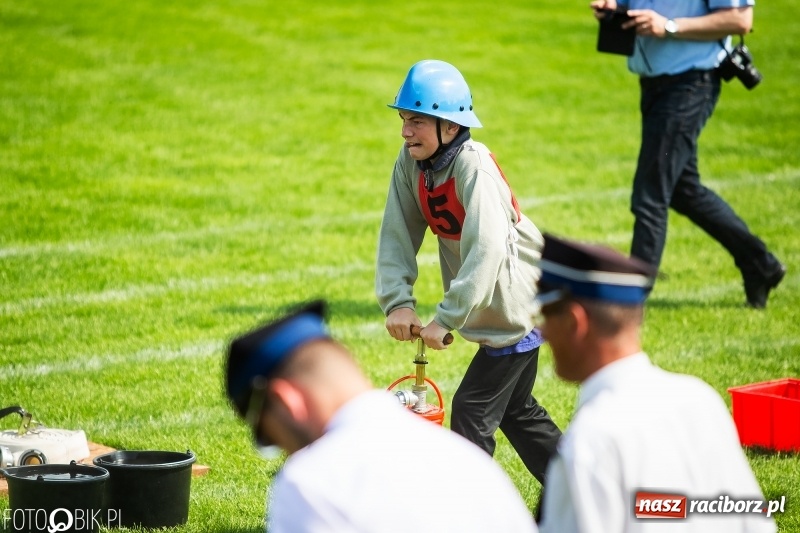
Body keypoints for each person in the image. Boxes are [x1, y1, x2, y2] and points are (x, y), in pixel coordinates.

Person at [375, 59, 562, 484]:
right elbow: (396, 234)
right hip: (490, 305)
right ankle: (587, 492)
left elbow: (488, 249)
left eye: (417, 121)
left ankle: (468, 514)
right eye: (404, 119)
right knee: (517, 412)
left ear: (451, 127)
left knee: (472, 412)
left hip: (516, 303)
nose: (405, 130)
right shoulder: (412, 164)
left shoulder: (473, 166)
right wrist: (398, 302)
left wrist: (447, 317)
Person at [225, 300, 540, 533]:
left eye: (274, 438)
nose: (287, 452)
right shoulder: (471, 462)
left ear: (287, 401)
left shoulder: (310, 482)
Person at [534, 233, 777, 533]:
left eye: (545, 316)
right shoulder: (700, 399)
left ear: (575, 322)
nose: (542, 332)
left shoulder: (589, 444)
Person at [590, 0, 785, 308]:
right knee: (683, 190)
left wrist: (668, 26)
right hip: (655, 83)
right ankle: (760, 264)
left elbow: (740, 19)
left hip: (691, 84)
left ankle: (628, 303)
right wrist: (613, 6)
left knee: (650, 192)